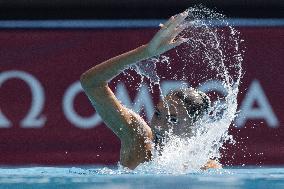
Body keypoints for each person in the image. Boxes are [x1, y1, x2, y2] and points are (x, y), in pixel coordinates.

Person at [80, 11, 221, 170]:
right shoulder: (137, 138)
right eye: (158, 114)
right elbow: (91, 82)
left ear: (196, 128)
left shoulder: (206, 168)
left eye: (173, 120)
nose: (159, 125)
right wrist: (146, 52)